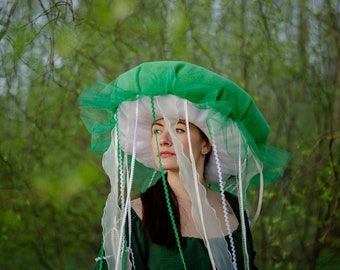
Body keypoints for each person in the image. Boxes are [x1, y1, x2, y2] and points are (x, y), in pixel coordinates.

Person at [79, 61, 290, 270]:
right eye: (157, 130)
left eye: (178, 130)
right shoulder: (138, 215)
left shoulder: (232, 208)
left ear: (206, 144)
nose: (163, 139)